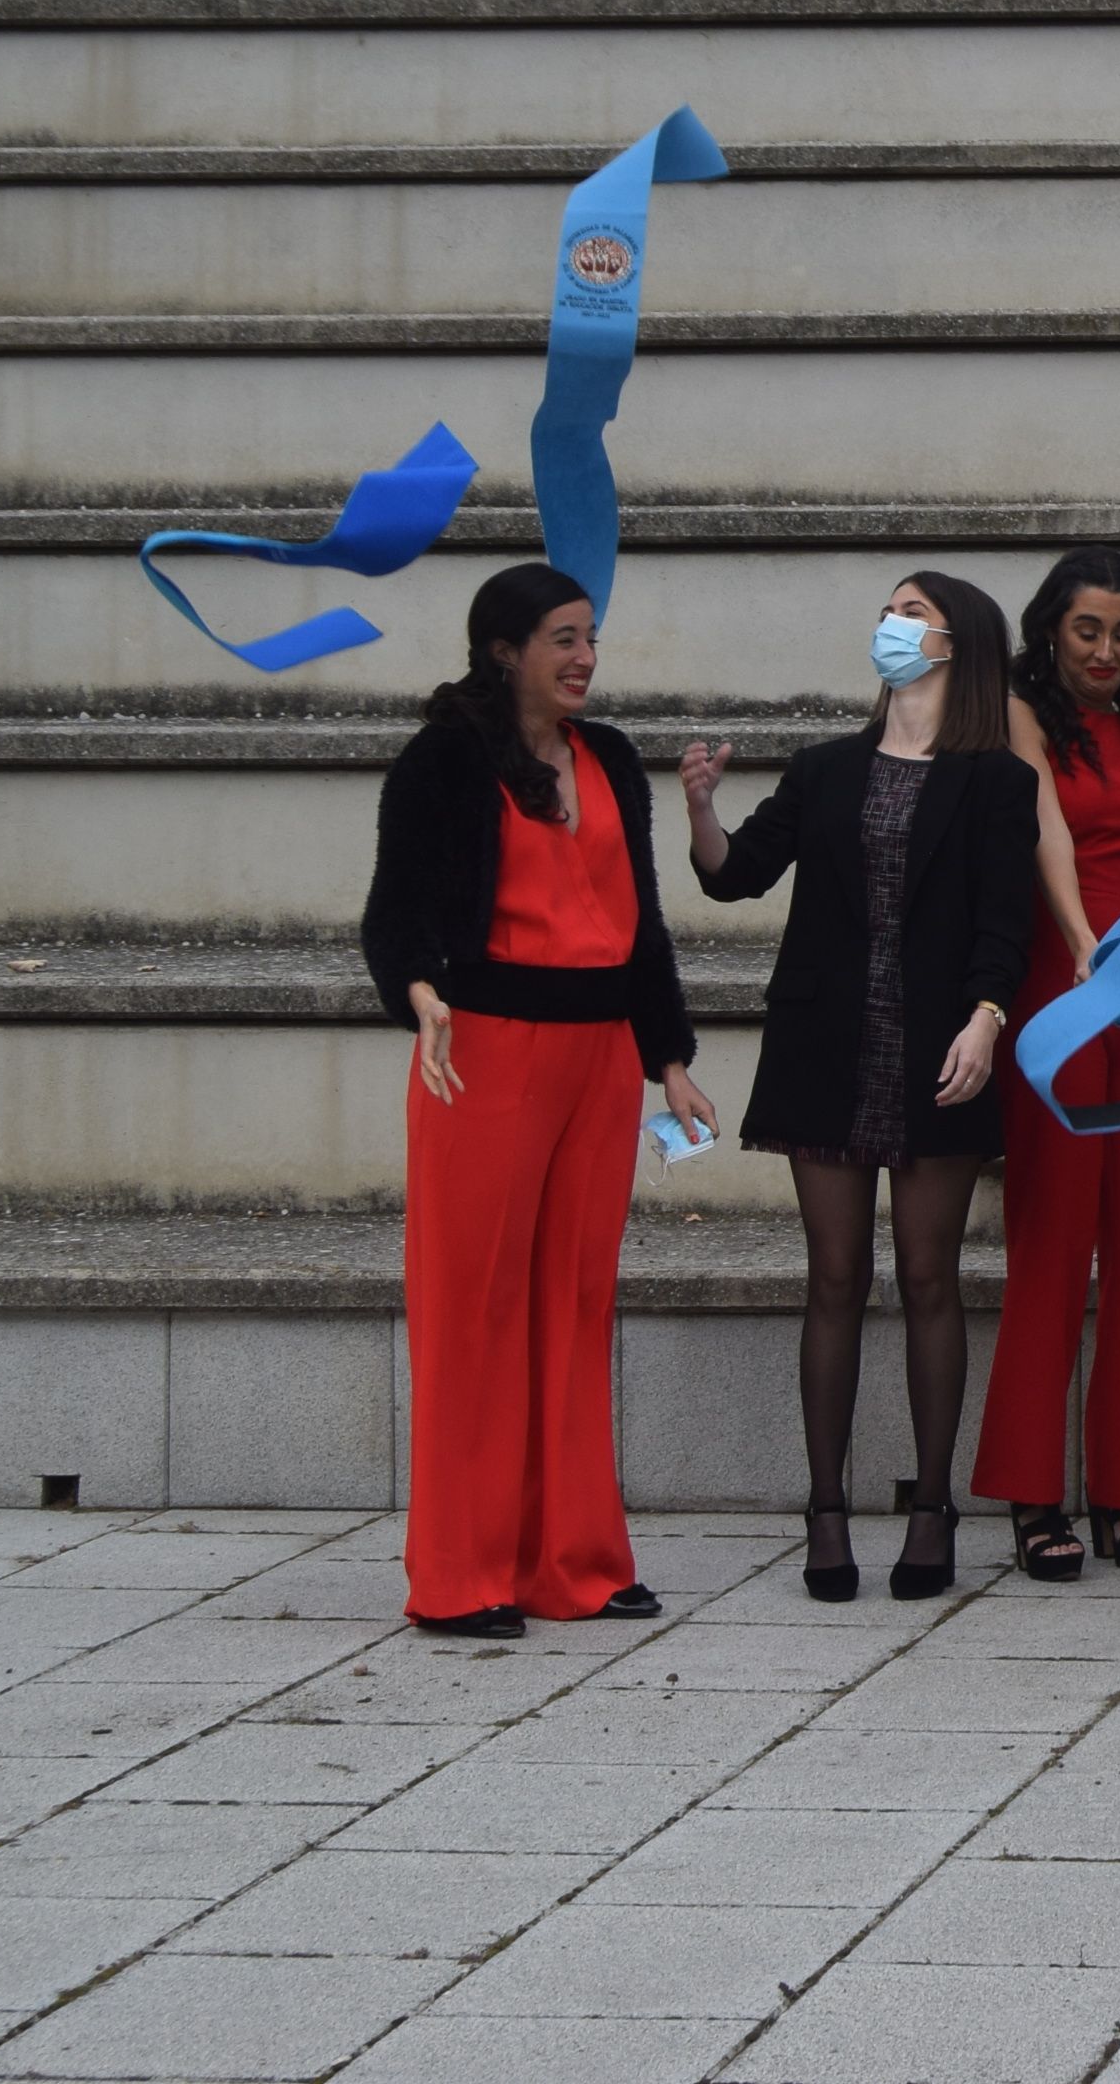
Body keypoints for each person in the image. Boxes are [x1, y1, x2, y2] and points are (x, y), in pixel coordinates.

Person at [362, 563, 716, 1638]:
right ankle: (460, 1574)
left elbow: (638, 918)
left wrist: (668, 1055)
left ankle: (575, 1562)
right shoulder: (445, 758)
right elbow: (397, 906)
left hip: (600, 1057)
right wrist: (419, 992)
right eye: (562, 638)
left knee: (573, 1305)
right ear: (504, 648)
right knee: (474, 1310)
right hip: (484, 1055)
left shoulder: (608, 758)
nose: (584, 657)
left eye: (592, 636)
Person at [686, 573, 1037, 1603]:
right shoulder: (826, 768)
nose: (894, 626)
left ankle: (932, 1508)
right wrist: (703, 808)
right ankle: (825, 1507)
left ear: (957, 643)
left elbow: (1002, 921)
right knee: (833, 1275)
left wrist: (986, 1018)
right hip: (825, 1045)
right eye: (891, 609)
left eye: (914, 613)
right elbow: (733, 873)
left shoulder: (994, 780)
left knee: (930, 1276)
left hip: (941, 1049)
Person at [970, 547, 1120, 1582]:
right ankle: (1031, 1493)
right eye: (1085, 631)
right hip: (1062, 991)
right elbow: (1046, 834)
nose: (1105, 651)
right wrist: (1080, 949)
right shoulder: (1020, 711)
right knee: (1054, 1241)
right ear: (1049, 632)